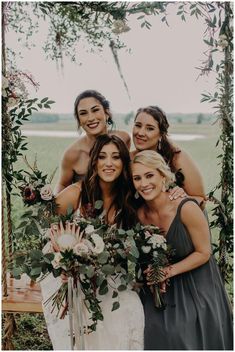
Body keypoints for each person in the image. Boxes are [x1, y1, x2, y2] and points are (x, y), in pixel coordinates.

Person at [42, 134, 144, 350]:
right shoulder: (76, 194)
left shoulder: (128, 198)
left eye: (116, 157)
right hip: (67, 276)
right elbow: (47, 231)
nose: (109, 163)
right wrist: (64, 261)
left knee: (129, 308)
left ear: (124, 163)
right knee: (84, 316)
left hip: (108, 275)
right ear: (94, 162)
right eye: (102, 157)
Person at [131, 150, 233, 350]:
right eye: (137, 178)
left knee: (178, 332)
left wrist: (167, 271)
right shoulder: (139, 215)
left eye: (149, 175)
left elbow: (204, 252)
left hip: (197, 283)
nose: (144, 183)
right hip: (160, 288)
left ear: (163, 176)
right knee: (147, 328)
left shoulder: (186, 207)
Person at [54, 90, 130, 194]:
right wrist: (51, 204)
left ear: (106, 112)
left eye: (95, 110)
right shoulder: (72, 154)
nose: (90, 118)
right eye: (83, 113)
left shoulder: (124, 139)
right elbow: (62, 185)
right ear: (79, 120)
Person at [131, 105, 206, 202]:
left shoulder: (177, 158)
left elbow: (201, 199)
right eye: (138, 125)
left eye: (150, 128)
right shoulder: (129, 159)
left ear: (161, 134)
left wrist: (184, 198)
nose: (140, 133)